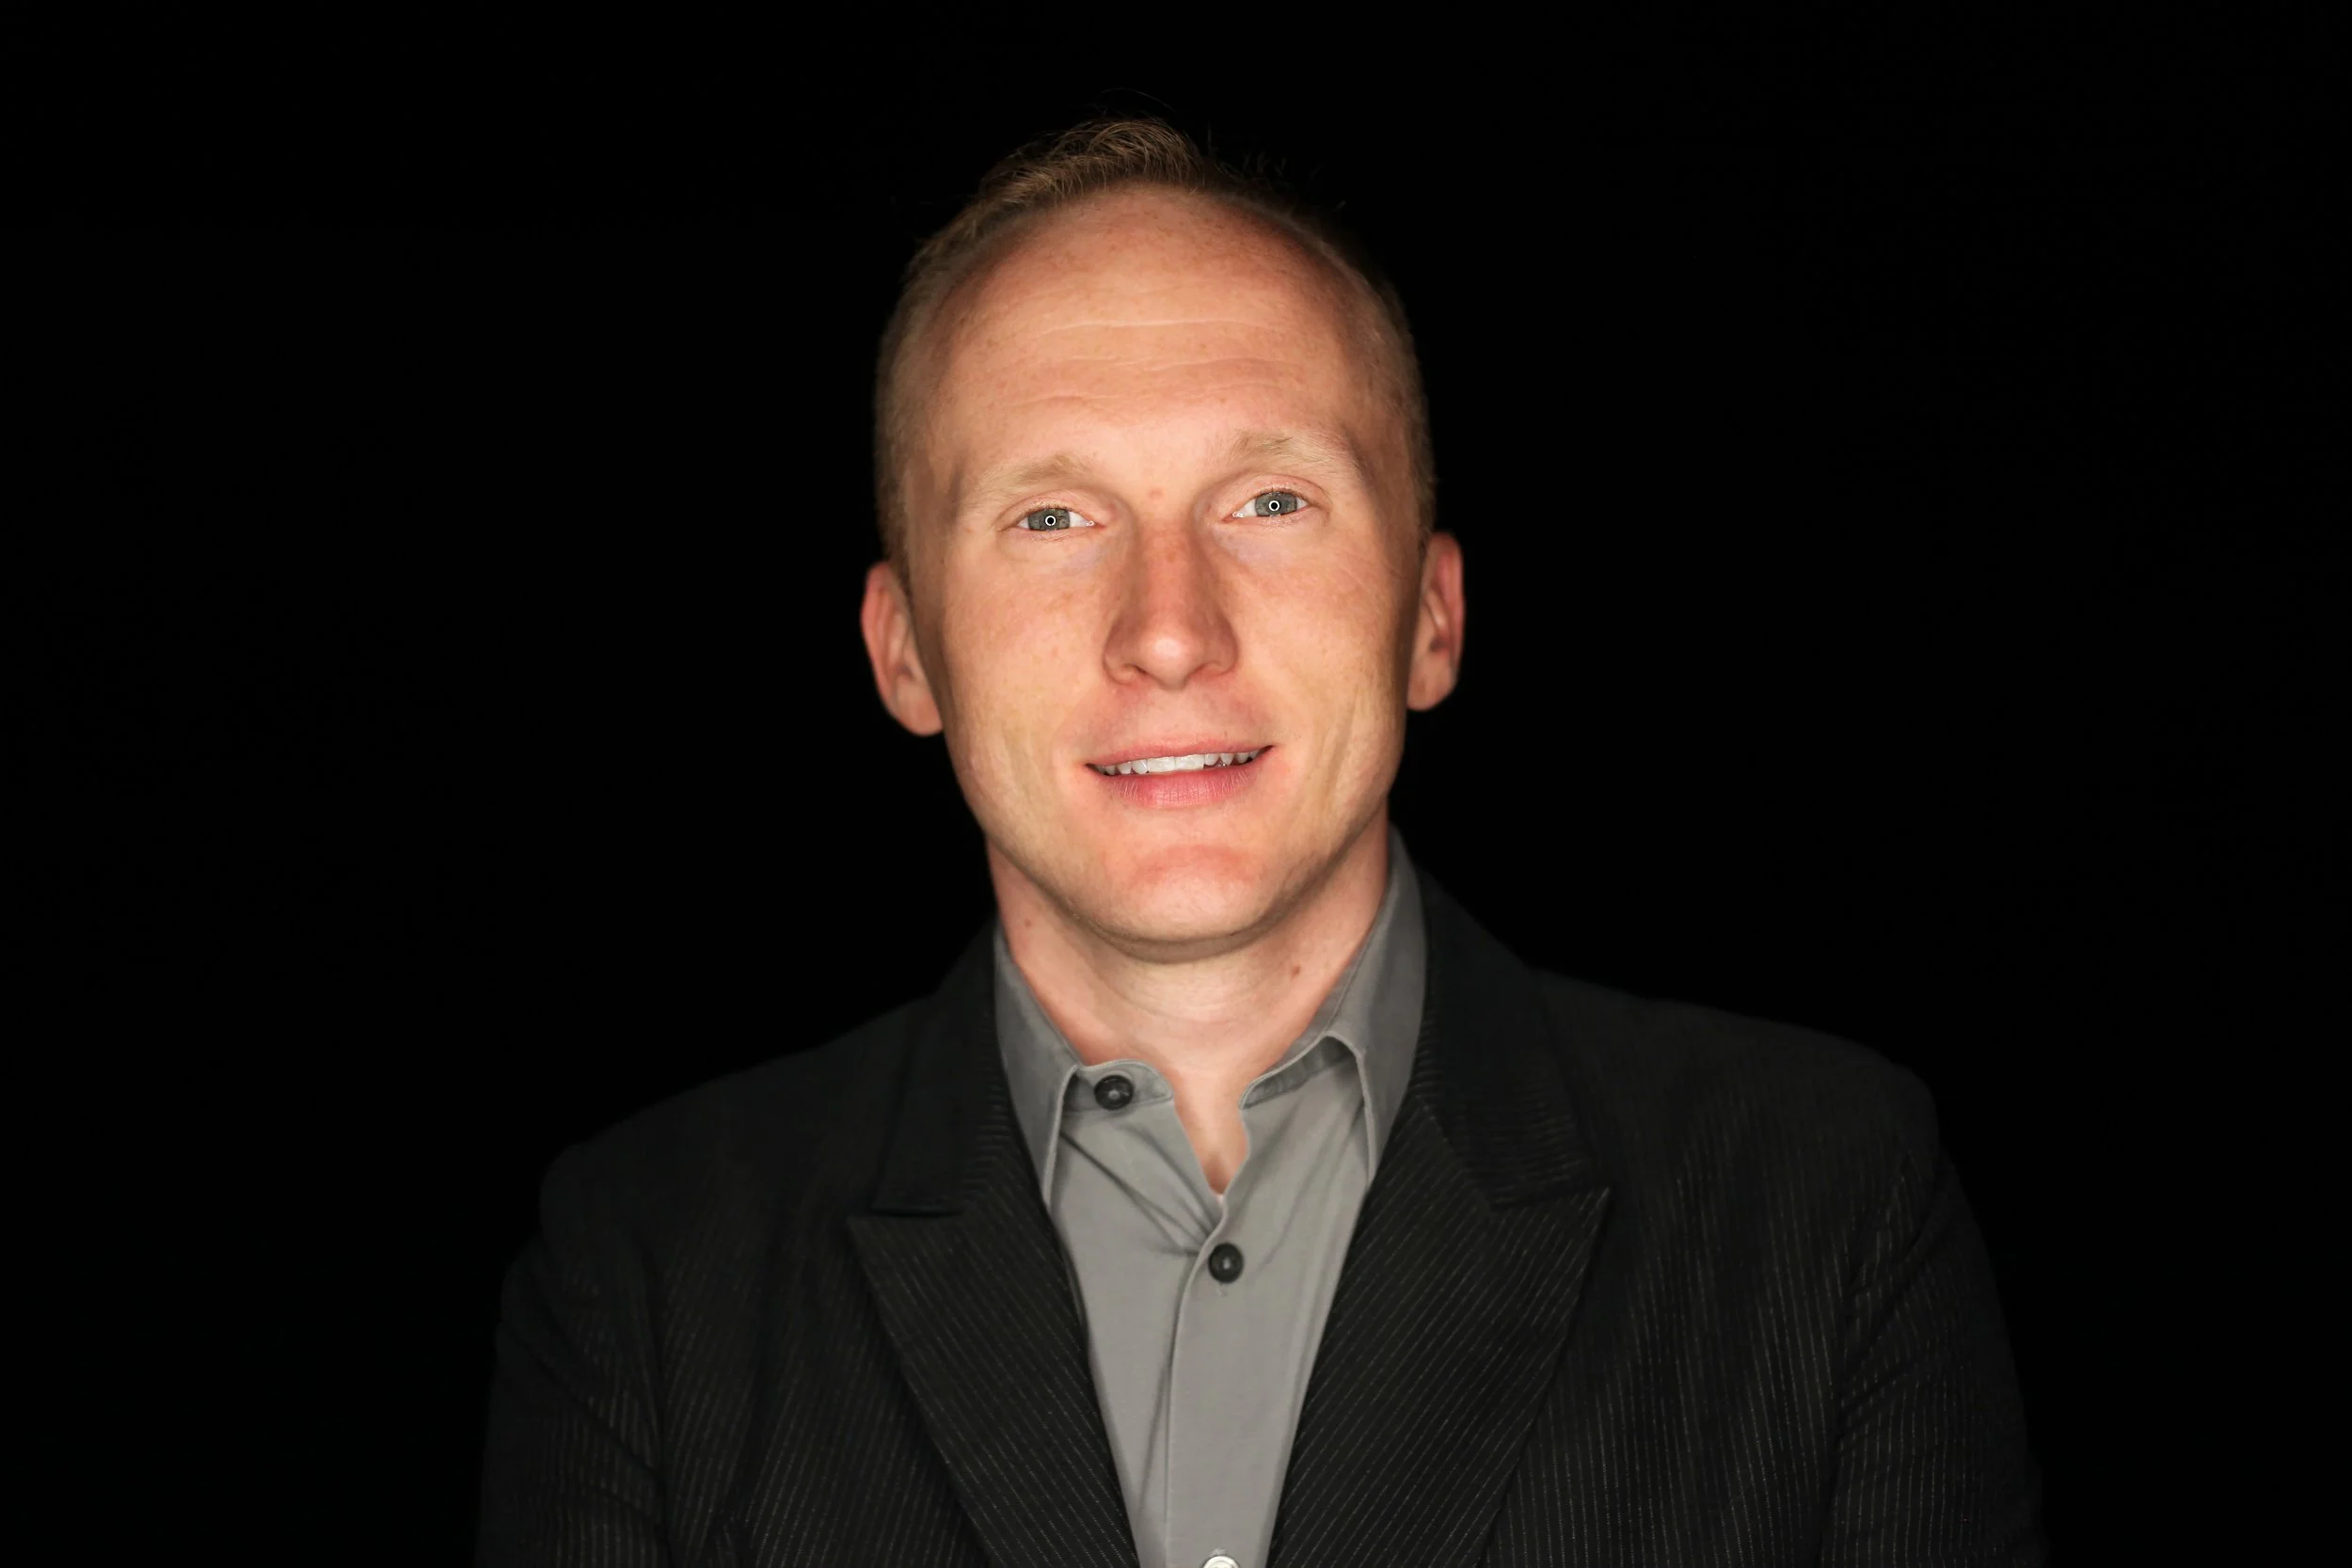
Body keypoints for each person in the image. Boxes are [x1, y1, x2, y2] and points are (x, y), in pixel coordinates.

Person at [478, 119, 2043, 1567]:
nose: (1169, 630)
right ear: (904, 652)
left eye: (1272, 500)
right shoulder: (643, 1275)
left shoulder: (1828, 1211)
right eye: (1050, 518)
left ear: (1432, 616)